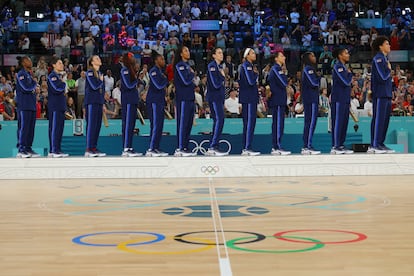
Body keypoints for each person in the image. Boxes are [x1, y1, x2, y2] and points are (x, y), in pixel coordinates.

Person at [368, 36, 395, 154]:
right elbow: (382, 76)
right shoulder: (378, 59)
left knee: (385, 120)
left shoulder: (384, 59)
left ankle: (380, 143)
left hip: (386, 94)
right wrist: (389, 70)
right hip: (380, 94)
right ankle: (374, 144)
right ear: (381, 46)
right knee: (379, 119)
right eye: (387, 43)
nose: (389, 45)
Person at [173, 45, 196, 157]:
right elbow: (186, 81)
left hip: (190, 97)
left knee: (188, 124)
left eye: (188, 50)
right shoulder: (180, 66)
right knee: (182, 123)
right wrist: (192, 73)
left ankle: (185, 147)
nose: (188, 52)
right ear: (181, 54)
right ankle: (180, 147)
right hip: (182, 98)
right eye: (186, 50)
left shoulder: (187, 65)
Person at [330, 48, 354, 154]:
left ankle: (341, 145)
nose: (348, 55)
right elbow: (346, 82)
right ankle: (335, 146)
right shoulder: (337, 67)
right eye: (346, 53)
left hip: (345, 99)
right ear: (340, 55)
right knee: (338, 123)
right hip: (338, 99)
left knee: (344, 123)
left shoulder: (344, 67)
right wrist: (350, 74)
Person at [146, 52, 169, 157]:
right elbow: (158, 86)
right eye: (161, 59)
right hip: (153, 101)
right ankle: (151, 148)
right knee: (155, 125)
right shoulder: (153, 71)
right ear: (156, 61)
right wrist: (166, 80)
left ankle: (156, 147)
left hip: (159, 101)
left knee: (160, 125)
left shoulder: (160, 72)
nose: (163, 61)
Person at [267, 52, 291, 155]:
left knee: (280, 123)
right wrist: (285, 74)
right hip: (276, 100)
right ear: (276, 59)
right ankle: (276, 147)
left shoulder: (279, 69)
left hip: (280, 100)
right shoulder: (275, 69)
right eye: (282, 56)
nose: (284, 57)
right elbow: (284, 82)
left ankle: (278, 145)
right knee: (277, 123)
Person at [15, 56, 39, 158]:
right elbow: (26, 88)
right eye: (28, 60)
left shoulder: (29, 74)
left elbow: (31, 89)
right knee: (24, 127)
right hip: (24, 105)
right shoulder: (21, 74)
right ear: (24, 62)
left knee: (30, 128)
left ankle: (28, 148)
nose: (30, 61)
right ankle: (21, 149)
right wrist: (34, 83)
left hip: (31, 104)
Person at [206, 47, 228, 156]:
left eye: (222, 52)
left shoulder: (219, 67)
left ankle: (214, 145)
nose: (221, 54)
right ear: (214, 55)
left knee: (219, 120)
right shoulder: (212, 66)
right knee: (219, 119)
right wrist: (222, 77)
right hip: (214, 97)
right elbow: (215, 84)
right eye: (219, 53)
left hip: (219, 98)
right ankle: (213, 146)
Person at [120, 52, 142, 157]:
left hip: (133, 100)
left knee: (131, 124)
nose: (134, 58)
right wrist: (137, 80)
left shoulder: (131, 71)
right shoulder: (124, 70)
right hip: (128, 100)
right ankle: (126, 148)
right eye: (132, 57)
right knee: (128, 124)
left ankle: (129, 146)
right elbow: (129, 85)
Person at [239, 48, 260, 155]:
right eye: (252, 53)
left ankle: (248, 146)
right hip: (248, 98)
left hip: (251, 98)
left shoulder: (250, 67)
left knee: (251, 123)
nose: (254, 54)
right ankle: (246, 148)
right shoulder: (246, 66)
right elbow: (251, 81)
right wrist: (255, 74)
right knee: (249, 123)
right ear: (247, 55)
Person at [84, 55, 106, 157]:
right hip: (91, 102)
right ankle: (88, 148)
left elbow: (102, 91)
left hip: (98, 102)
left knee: (97, 125)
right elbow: (94, 86)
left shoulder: (100, 73)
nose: (99, 59)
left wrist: (103, 103)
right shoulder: (89, 72)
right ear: (92, 62)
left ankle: (94, 147)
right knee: (92, 125)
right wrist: (100, 81)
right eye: (96, 59)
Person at [47, 57, 69, 158]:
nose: (62, 65)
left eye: (62, 63)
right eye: (59, 63)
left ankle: (57, 149)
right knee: (55, 127)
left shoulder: (59, 77)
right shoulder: (52, 76)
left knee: (60, 128)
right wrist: (64, 82)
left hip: (60, 105)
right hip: (55, 105)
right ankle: (53, 149)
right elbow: (58, 88)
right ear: (54, 65)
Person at [301, 52, 321, 155]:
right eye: (312, 56)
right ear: (308, 58)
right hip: (311, 99)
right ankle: (307, 145)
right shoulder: (308, 69)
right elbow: (314, 83)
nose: (315, 57)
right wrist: (319, 77)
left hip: (311, 99)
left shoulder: (310, 69)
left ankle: (306, 145)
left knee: (309, 122)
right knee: (311, 122)